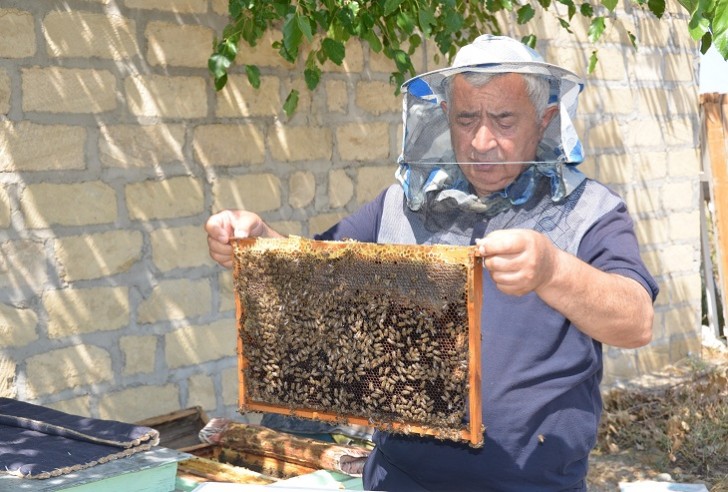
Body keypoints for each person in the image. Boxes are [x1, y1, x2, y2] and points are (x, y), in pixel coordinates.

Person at [206, 34, 658, 491]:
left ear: (544, 121)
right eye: (467, 119)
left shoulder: (592, 210)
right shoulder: (402, 205)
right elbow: (315, 272)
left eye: (503, 120)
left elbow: (636, 321)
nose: (482, 141)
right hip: (397, 479)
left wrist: (554, 270)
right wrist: (257, 242)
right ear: (444, 118)